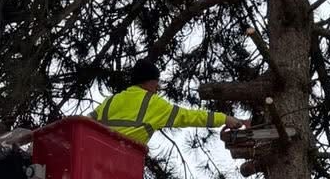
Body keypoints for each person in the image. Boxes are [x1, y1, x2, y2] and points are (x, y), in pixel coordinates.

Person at [91, 58, 245, 147]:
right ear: (150, 81)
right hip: (124, 162)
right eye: (156, 82)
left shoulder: (110, 100)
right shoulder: (152, 103)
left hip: (95, 159)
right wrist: (224, 118)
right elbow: (188, 116)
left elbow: (86, 123)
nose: (158, 87)